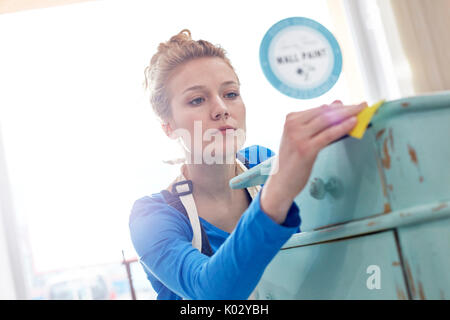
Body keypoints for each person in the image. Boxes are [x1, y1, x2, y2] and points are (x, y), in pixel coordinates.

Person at [129, 29, 366, 300]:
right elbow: (210, 292)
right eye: (197, 99)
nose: (221, 109)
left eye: (230, 94)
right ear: (168, 127)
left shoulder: (262, 165)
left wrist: (342, 157)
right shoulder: (152, 217)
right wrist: (277, 191)